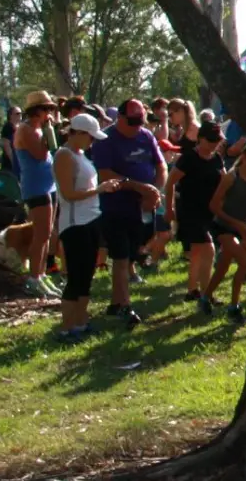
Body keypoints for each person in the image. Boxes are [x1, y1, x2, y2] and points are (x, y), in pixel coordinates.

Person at [90, 99, 166, 328]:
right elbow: (105, 174)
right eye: (131, 122)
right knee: (121, 257)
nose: (136, 127)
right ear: (120, 118)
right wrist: (139, 187)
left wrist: (154, 190)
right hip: (115, 206)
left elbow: (160, 165)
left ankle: (115, 303)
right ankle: (125, 306)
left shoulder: (146, 136)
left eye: (139, 122)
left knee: (133, 253)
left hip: (142, 208)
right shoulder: (105, 140)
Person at [52, 114, 120, 342]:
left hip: (90, 219)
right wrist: (100, 189)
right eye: (90, 137)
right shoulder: (64, 156)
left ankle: (80, 322)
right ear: (78, 134)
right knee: (76, 276)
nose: (92, 142)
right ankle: (66, 327)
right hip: (75, 224)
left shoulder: (81, 155)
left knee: (86, 275)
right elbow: (69, 194)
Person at [165, 122, 226, 307]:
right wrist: (169, 209)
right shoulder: (188, 158)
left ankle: (193, 290)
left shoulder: (217, 159)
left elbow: (224, 182)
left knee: (198, 252)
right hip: (190, 211)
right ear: (200, 138)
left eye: (217, 140)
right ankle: (207, 294)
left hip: (209, 212)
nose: (215, 144)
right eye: (211, 140)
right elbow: (170, 184)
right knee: (209, 249)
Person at [13, 92, 61, 297]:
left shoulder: (40, 130)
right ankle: (34, 277)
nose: (49, 113)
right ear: (36, 111)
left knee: (47, 233)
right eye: (45, 109)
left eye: (51, 109)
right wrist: (49, 130)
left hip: (49, 186)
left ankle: (41, 274)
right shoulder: (26, 130)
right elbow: (41, 155)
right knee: (40, 235)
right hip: (36, 188)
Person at [206, 143, 246, 322]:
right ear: (245, 155)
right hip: (223, 226)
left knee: (223, 267)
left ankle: (205, 297)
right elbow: (213, 206)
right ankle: (234, 307)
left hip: (241, 228)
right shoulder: (231, 177)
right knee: (245, 262)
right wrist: (237, 224)